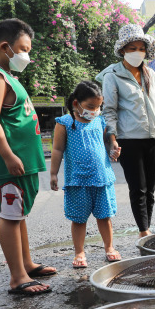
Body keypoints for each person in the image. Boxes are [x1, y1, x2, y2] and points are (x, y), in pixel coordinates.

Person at [0, 18, 56, 296]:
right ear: (5, 46)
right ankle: (17, 277)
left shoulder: (8, 76)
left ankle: (26, 263)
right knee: (11, 215)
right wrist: (9, 155)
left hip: (24, 160)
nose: (27, 56)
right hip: (12, 162)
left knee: (19, 214)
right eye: (23, 49)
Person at [96, 24, 155, 239]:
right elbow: (109, 111)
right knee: (138, 188)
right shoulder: (113, 75)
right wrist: (113, 140)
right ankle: (143, 231)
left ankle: (147, 226)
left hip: (154, 138)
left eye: (141, 48)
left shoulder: (151, 74)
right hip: (129, 139)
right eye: (132, 48)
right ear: (122, 51)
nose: (138, 52)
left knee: (151, 189)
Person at [50, 81, 121, 268]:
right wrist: (53, 174)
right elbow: (57, 150)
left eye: (98, 107)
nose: (95, 110)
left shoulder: (100, 120)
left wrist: (113, 149)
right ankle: (79, 252)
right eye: (91, 107)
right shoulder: (65, 123)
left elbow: (106, 143)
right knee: (79, 219)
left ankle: (109, 248)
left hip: (102, 177)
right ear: (76, 103)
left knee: (104, 217)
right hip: (78, 180)